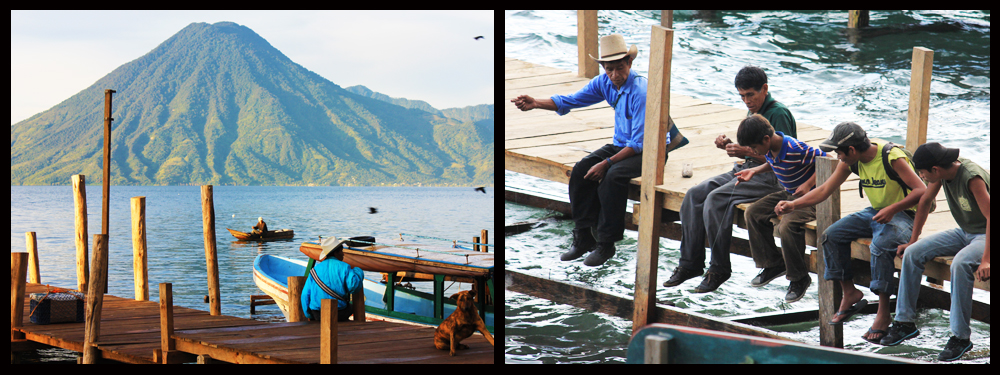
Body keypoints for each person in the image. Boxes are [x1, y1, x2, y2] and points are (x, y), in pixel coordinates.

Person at [509, 34, 687, 267]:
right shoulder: (605, 82)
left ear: (630, 64)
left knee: (612, 177)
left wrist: (607, 163)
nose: (614, 75)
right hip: (622, 144)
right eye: (609, 69)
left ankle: (606, 243)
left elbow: (638, 144)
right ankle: (583, 235)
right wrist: (536, 103)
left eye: (619, 68)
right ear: (603, 67)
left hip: (650, 150)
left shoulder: (641, 92)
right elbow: (571, 100)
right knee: (581, 169)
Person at [774, 122, 925, 343]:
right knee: (830, 235)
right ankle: (850, 292)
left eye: (839, 152)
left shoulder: (891, 157)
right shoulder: (851, 162)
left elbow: (921, 190)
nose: (839, 157)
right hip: (875, 212)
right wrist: (793, 205)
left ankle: (883, 313)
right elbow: (824, 190)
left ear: (852, 150)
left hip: (902, 215)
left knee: (880, 246)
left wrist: (892, 209)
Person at [663, 66, 797, 293]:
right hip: (748, 168)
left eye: (750, 95)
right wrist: (731, 146)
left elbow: (783, 156)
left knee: (716, 199)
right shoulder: (755, 110)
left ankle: (719, 269)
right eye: (742, 96)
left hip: (770, 176)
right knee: (694, 195)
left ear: (764, 88)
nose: (747, 101)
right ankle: (690, 264)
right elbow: (755, 146)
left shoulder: (778, 114)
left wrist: (744, 151)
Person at [881, 143, 989, 362]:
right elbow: (925, 201)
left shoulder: (972, 178)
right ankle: (905, 323)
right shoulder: (941, 174)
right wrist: (912, 241)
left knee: (960, 264)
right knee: (913, 253)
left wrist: (986, 260)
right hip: (966, 232)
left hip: (986, 235)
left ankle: (960, 337)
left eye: (922, 172)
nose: (920, 176)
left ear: (935, 169)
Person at [734, 114, 826, 303]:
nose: (753, 151)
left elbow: (829, 160)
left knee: (787, 226)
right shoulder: (770, 148)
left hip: (811, 198)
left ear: (766, 139)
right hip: (789, 193)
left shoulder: (795, 148)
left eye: (754, 147)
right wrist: (754, 170)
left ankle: (799, 277)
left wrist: (809, 184)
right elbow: (774, 162)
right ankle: (773, 263)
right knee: (752, 213)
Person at [301, 237, 365, 322]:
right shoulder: (344, 267)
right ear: (336, 252)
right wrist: (358, 271)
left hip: (317, 314)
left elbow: (305, 294)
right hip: (338, 313)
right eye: (341, 251)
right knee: (352, 307)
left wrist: (309, 315)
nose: (343, 254)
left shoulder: (314, 270)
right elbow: (353, 286)